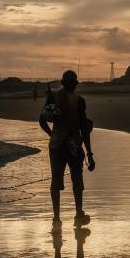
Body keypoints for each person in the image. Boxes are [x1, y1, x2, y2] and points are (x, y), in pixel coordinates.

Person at [39, 70, 95, 233]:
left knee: (55, 182)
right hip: (74, 145)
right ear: (76, 84)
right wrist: (90, 154)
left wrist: (52, 134)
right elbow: (84, 129)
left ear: (62, 83)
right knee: (77, 180)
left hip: (56, 146)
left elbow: (42, 120)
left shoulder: (53, 97)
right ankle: (78, 215)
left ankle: (56, 220)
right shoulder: (80, 100)